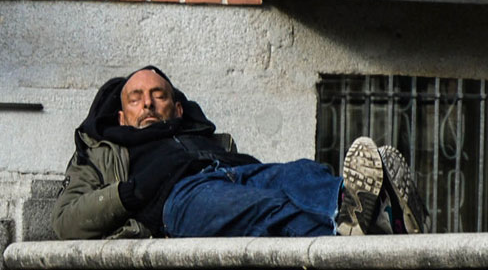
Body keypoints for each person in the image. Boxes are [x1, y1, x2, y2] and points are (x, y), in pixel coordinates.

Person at [51, 66, 431, 239]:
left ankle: (354, 207)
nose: (148, 104)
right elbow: (65, 220)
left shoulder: (206, 137)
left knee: (302, 172)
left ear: (177, 108)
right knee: (266, 206)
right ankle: (374, 227)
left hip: (231, 169)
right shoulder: (100, 149)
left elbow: (263, 173)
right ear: (123, 114)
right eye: (136, 99)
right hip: (179, 199)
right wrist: (129, 192)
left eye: (159, 95)